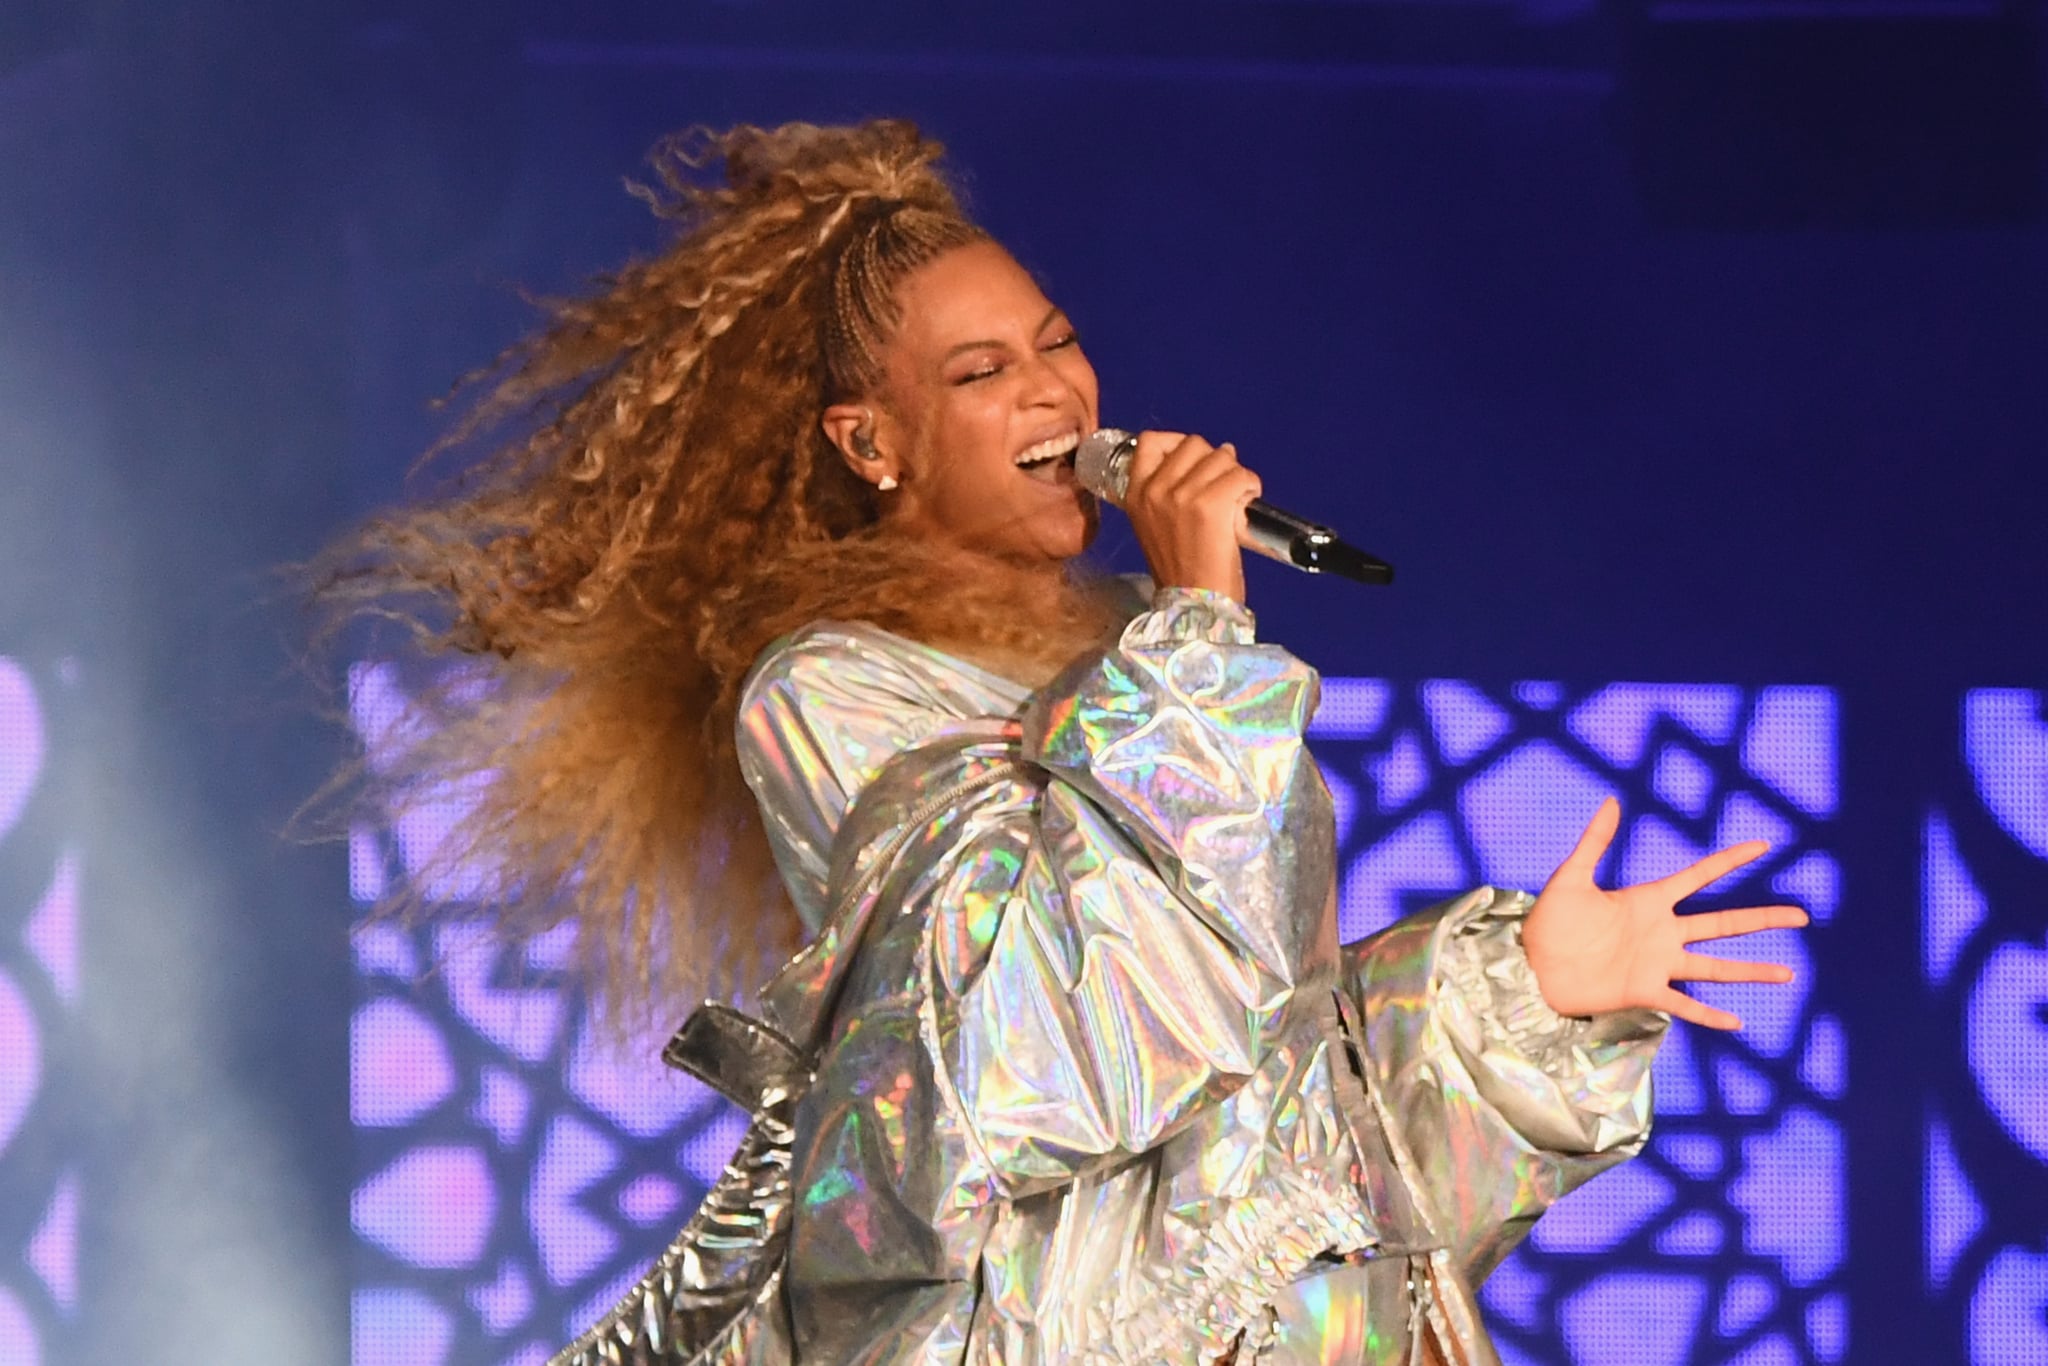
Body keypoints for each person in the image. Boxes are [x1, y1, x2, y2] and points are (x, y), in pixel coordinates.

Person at [318, 120, 1807, 1365]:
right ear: (869, 441)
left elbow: (1266, 1110)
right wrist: (1202, 611)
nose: (1052, 391)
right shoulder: (839, 695)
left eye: (1059, 342)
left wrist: (1505, 998)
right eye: (980, 373)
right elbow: (1043, 1048)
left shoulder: (1154, 676)